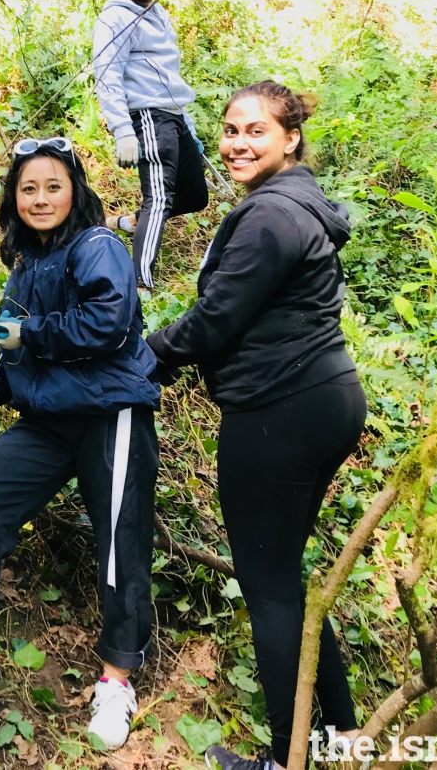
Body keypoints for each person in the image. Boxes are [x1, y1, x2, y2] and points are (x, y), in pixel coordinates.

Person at [0, 138, 161, 751]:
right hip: (50, 421)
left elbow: (108, 322)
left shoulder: (97, 244)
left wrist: (31, 332)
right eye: (28, 188)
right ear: (13, 199)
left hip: (109, 412)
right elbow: (25, 355)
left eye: (53, 185)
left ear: (75, 189)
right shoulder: (25, 265)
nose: (41, 197)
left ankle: (116, 683)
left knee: (118, 542)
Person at [145, 81, 364, 770]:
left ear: (290, 137)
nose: (238, 143)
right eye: (231, 130)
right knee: (287, 581)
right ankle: (339, 737)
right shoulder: (298, 204)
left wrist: (143, 355)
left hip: (280, 411)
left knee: (268, 587)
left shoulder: (273, 216)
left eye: (256, 131)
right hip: (321, 398)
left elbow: (216, 320)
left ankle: (285, 758)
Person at [92, 0, 208, 290]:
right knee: (158, 199)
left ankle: (129, 222)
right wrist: (123, 130)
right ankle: (139, 284)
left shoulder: (158, 14)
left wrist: (187, 125)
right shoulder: (114, 18)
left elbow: (168, 76)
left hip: (172, 116)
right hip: (146, 116)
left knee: (194, 196)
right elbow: (108, 74)